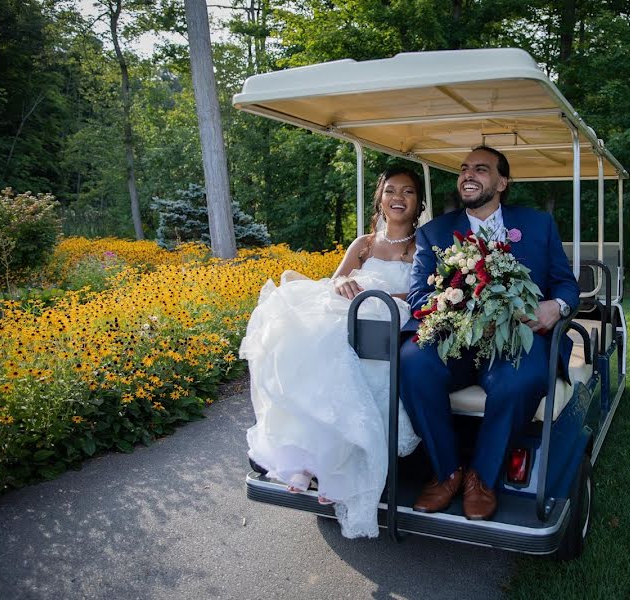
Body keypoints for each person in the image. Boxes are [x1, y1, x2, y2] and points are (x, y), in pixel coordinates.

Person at [240, 167, 425, 539]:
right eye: (391, 190)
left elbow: (423, 296)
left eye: (407, 192)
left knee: (358, 368)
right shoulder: (364, 244)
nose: (398, 197)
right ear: (381, 199)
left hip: (391, 323)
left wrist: (383, 296)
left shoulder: (420, 247)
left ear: (418, 202)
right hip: (354, 317)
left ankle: (337, 467)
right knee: (315, 346)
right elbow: (337, 279)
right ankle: (309, 461)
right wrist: (346, 284)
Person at [400, 146, 580, 521]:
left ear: (502, 182)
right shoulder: (433, 233)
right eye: (464, 169)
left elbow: (565, 285)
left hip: (518, 337)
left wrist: (555, 307)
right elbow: (419, 296)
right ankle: (447, 471)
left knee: (522, 380)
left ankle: (481, 478)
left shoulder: (537, 225)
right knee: (413, 363)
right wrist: (458, 302)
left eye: (481, 169)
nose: (468, 175)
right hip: (456, 337)